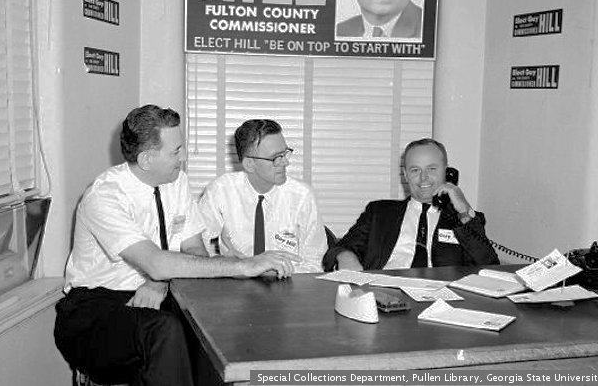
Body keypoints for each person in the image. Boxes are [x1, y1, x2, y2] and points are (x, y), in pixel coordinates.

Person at [54, 105, 299, 386]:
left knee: (215, 322)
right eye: (176, 151)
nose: (184, 157)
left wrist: (161, 282)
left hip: (161, 292)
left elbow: (194, 250)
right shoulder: (105, 196)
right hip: (96, 306)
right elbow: (155, 263)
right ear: (147, 159)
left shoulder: (176, 181)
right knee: (164, 330)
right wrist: (245, 265)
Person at [322, 138, 499, 271]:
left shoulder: (463, 219)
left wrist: (463, 211)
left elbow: (489, 266)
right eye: (415, 170)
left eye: (432, 169)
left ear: (447, 172)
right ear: (405, 175)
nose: (424, 178)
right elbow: (339, 248)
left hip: (441, 300)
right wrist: (345, 256)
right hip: (386, 296)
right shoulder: (379, 212)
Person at [199, 119, 327, 273]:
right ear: (249, 164)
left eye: (285, 153)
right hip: (235, 280)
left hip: (288, 281)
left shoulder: (302, 197)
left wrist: (279, 271)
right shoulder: (220, 191)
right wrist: (230, 263)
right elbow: (201, 251)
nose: (285, 163)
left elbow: (316, 262)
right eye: (276, 158)